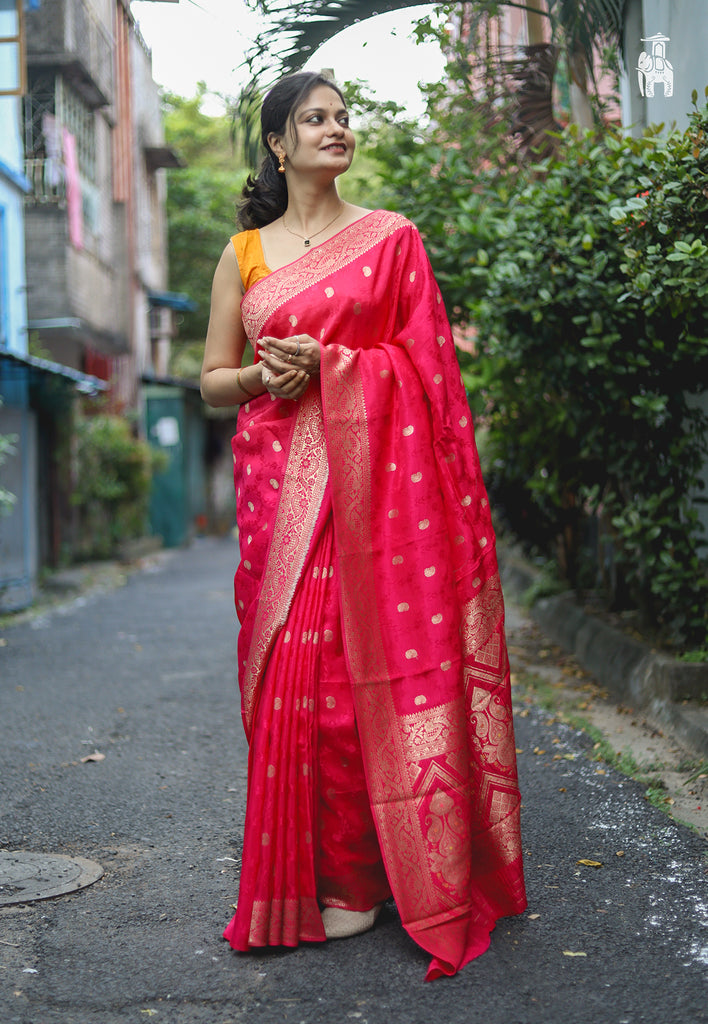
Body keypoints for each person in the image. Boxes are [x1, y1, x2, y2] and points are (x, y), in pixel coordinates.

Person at [201, 71, 527, 981]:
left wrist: (338, 366)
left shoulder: (391, 241)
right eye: (316, 118)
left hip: (377, 496)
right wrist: (273, 378)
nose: (336, 129)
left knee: (357, 684)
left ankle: (373, 878)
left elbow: (425, 371)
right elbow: (213, 381)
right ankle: (309, 877)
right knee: (291, 691)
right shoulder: (246, 254)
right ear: (279, 143)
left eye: (345, 117)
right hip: (281, 501)